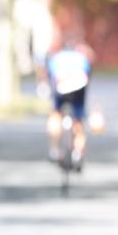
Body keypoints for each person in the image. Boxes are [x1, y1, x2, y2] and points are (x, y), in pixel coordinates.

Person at [43, 34, 94, 170]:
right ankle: (78, 151)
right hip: (79, 85)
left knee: (55, 114)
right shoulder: (81, 57)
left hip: (61, 85)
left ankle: (54, 150)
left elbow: (50, 76)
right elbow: (88, 74)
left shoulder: (56, 58)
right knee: (79, 119)